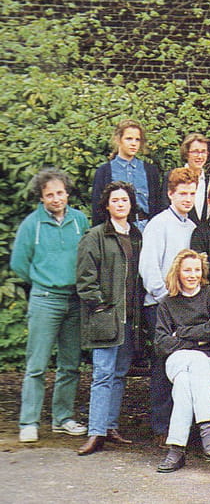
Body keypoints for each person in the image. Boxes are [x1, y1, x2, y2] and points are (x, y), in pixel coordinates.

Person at [11, 168, 90, 443]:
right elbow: (19, 263)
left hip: (75, 300)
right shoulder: (32, 224)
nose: (56, 199)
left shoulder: (79, 220)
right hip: (45, 300)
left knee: (70, 364)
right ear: (41, 197)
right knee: (37, 364)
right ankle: (29, 422)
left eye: (60, 193)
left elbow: (88, 257)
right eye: (50, 195)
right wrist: (44, 280)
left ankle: (62, 418)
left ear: (67, 193)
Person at [75, 182, 142, 455]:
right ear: (106, 205)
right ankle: (96, 432)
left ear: (131, 204)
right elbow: (85, 280)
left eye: (124, 200)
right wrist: (101, 306)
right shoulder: (95, 236)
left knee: (119, 374)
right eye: (115, 200)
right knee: (102, 374)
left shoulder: (136, 235)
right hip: (105, 317)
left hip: (130, 319)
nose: (120, 204)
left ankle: (111, 426)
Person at [139, 167, 198, 445]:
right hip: (160, 304)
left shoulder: (192, 227)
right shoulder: (159, 224)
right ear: (170, 194)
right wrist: (165, 298)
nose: (188, 199)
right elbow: (148, 267)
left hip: (185, 305)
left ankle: (184, 424)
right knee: (164, 363)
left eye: (192, 194)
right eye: (182, 193)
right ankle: (161, 425)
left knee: (185, 363)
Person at [153, 250, 210, 472]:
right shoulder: (167, 303)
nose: (193, 275)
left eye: (197, 270)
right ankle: (206, 429)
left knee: (185, 381)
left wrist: (181, 333)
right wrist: (200, 338)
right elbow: (161, 343)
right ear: (178, 273)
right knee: (195, 360)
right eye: (187, 270)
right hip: (177, 361)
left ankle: (176, 449)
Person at [91, 119, 160, 229]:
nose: (133, 143)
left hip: (146, 228)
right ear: (118, 140)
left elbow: (157, 205)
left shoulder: (150, 171)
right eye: (129, 139)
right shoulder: (104, 171)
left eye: (137, 140)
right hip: (116, 229)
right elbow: (97, 209)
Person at [160, 133, 210, 223]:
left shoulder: (209, 180)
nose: (200, 156)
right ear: (186, 153)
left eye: (203, 152)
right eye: (195, 151)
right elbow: (164, 207)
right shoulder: (172, 177)